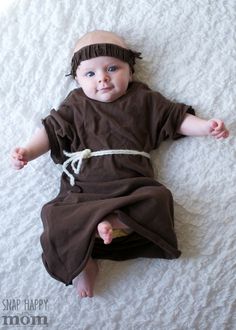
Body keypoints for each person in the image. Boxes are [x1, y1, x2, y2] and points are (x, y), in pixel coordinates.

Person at [11, 30, 229, 298]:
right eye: (90, 74)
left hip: (131, 185)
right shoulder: (76, 104)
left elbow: (175, 118)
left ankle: (112, 222)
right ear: (77, 80)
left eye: (112, 68)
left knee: (157, 197)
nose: (102, 78)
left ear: (130, 70)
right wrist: (29, 152)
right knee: (55, 215)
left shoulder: (144, 99)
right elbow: (51, 131)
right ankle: (86, 263)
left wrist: (206, 127)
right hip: (84, 189)